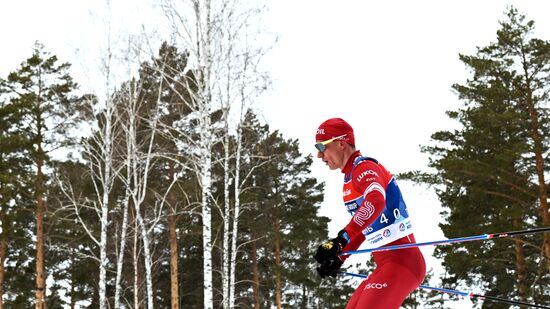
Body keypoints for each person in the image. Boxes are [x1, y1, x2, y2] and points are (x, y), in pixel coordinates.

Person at [312, 118, 426, 309]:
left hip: (402, 261)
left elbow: (376, 200)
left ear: (341, 143)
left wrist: (341, 239)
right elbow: (365, 226)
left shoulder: (364, 168)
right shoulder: (349, 179)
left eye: (321, 146)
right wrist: (340, 257)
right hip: (385, 264)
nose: (318, 155)